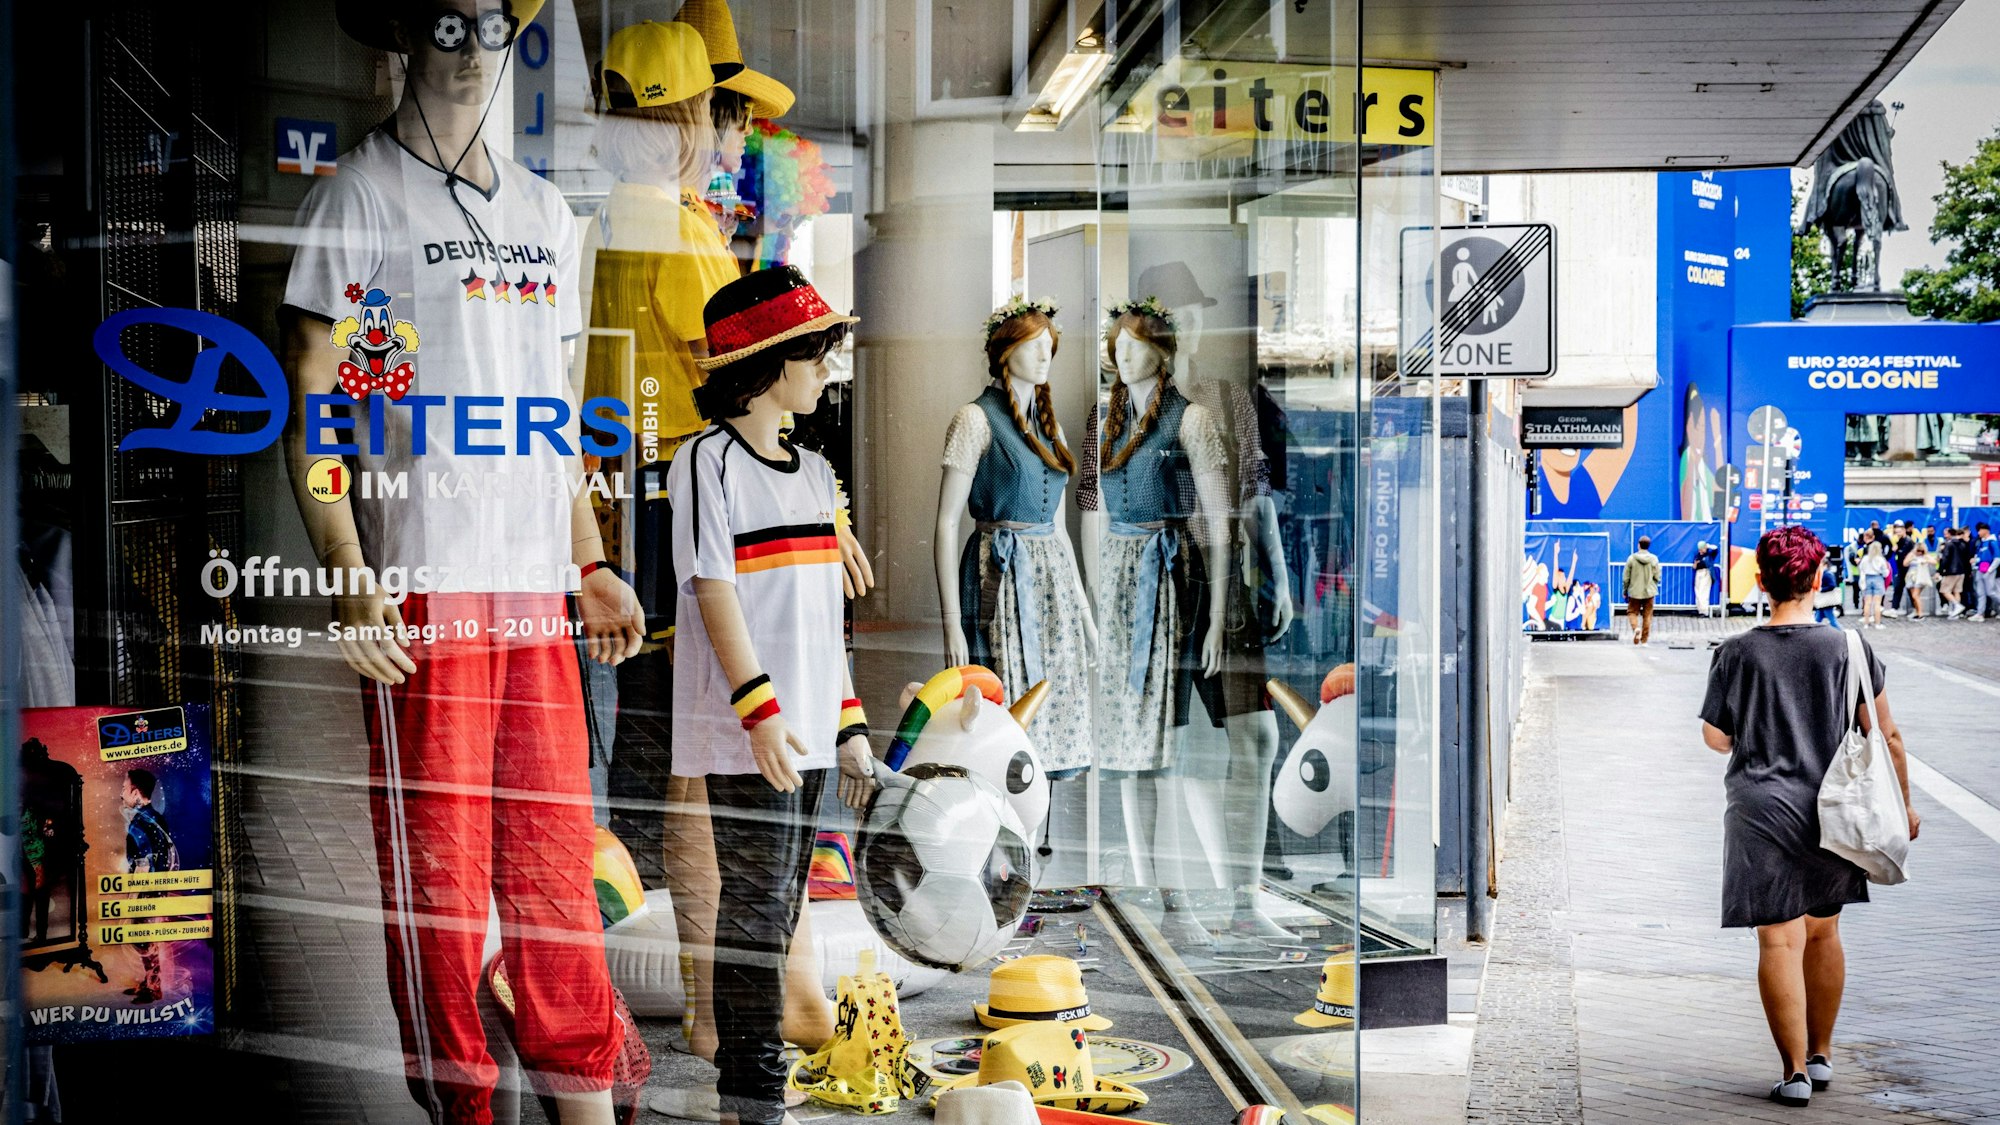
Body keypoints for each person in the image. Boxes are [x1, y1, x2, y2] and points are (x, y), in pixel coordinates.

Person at [280, 2, 641, 1119]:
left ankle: (582, 1099)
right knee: (437, 896)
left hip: (533, 596)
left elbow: (557, 414)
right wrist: (349, 573)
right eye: (449, 17)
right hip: (427, 589)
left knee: (552, 882)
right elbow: (313, 407)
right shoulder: (357, 197)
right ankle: (466, 1109)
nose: (475, 41)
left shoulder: (546, 212)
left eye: (495, 18)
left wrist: (587, 561)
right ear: (404, 37)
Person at [666, 266, 877, 1125]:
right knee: (753, 907)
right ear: (766, 362)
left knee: (779, 899)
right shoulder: (703, 462)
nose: (827, 369)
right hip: (747, 727)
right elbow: (711, 586)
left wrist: (850, 722)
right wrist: (760, 712)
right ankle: (749, 1092)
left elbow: (825, 618)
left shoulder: (815, 473)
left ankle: (757, 1089)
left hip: (805, 732)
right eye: (816, 353)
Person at [1699, 525, 1920, 1108]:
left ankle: (1793, 1073)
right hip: (1834, 810)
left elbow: (1715, 737)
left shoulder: (1737, 651)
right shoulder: (1847, 646)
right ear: (1818, 579)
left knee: (1778, 942)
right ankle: (1822, 1056)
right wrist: (1906, 802)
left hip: (1761, 809)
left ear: (1764, 581)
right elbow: (1887, 734)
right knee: (1824, 929)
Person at [120, 769, 175, 1004]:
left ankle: (154, 988)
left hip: (147, 890)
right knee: (145, 937)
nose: (121, 795)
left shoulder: (141, 821)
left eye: (124, 789)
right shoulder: (154, 817)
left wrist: (133, 896)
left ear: (135, 791)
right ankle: (149, 981)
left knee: (144, 938)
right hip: (154, 887)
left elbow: (144, 863)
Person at [1623, 535, 1661, 645]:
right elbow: (1657, 576)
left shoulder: (1631, 559)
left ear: (1638, 545)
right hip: (1649, 591)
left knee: (1632, 612)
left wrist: (1625, 590)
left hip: (1634, 591)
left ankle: (1636, 629)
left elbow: (1626, 578)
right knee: (1647, 615)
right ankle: (1644, 640)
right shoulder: (1654, 559)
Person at [1937, 526, 1971, 618]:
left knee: (1944, 590)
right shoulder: (1963, 544)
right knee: (1957, 591)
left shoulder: (1949, 544)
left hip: (1951, 571)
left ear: (1950, 534)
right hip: (1961, 571)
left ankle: (1957, 606)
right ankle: (1956, 613)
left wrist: (1940, 571)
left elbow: (1945, 558)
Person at [1857, 542, 1889, 628]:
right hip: (1878, 579)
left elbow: (1861, 568)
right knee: (1877, 603)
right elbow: (1885, 572)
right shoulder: (1881, 559)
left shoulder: (1865, 558)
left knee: (1867, 603)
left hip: (1867, 579)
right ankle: (1877, 623)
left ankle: (1866, 623)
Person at [1902, 542, 1937, 619]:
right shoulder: (1911, 554)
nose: (1919, 553)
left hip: (1921, 576)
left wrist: (1926, 560)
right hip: (1911, 576)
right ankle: (1917, 612)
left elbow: (1934, 562)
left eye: (1921, 551)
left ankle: (1921, 613)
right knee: (1913, 596)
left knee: (1915, 595)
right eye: (1918, 551)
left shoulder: (1926, 556)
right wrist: (1911, 559)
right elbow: (1905, 564)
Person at [1975, 523, 1998, 619]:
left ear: (1986, 530)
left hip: (1989, 570)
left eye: (1980, 530)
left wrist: (1990, 570)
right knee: (1981, 593)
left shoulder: (1992, 542)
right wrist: (1975, 561)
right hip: (1980, 569)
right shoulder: (1982, 543)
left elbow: (1997, 558)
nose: (1978, 532)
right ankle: (1980, 613)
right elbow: (1980, 557)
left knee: (1991, 592)